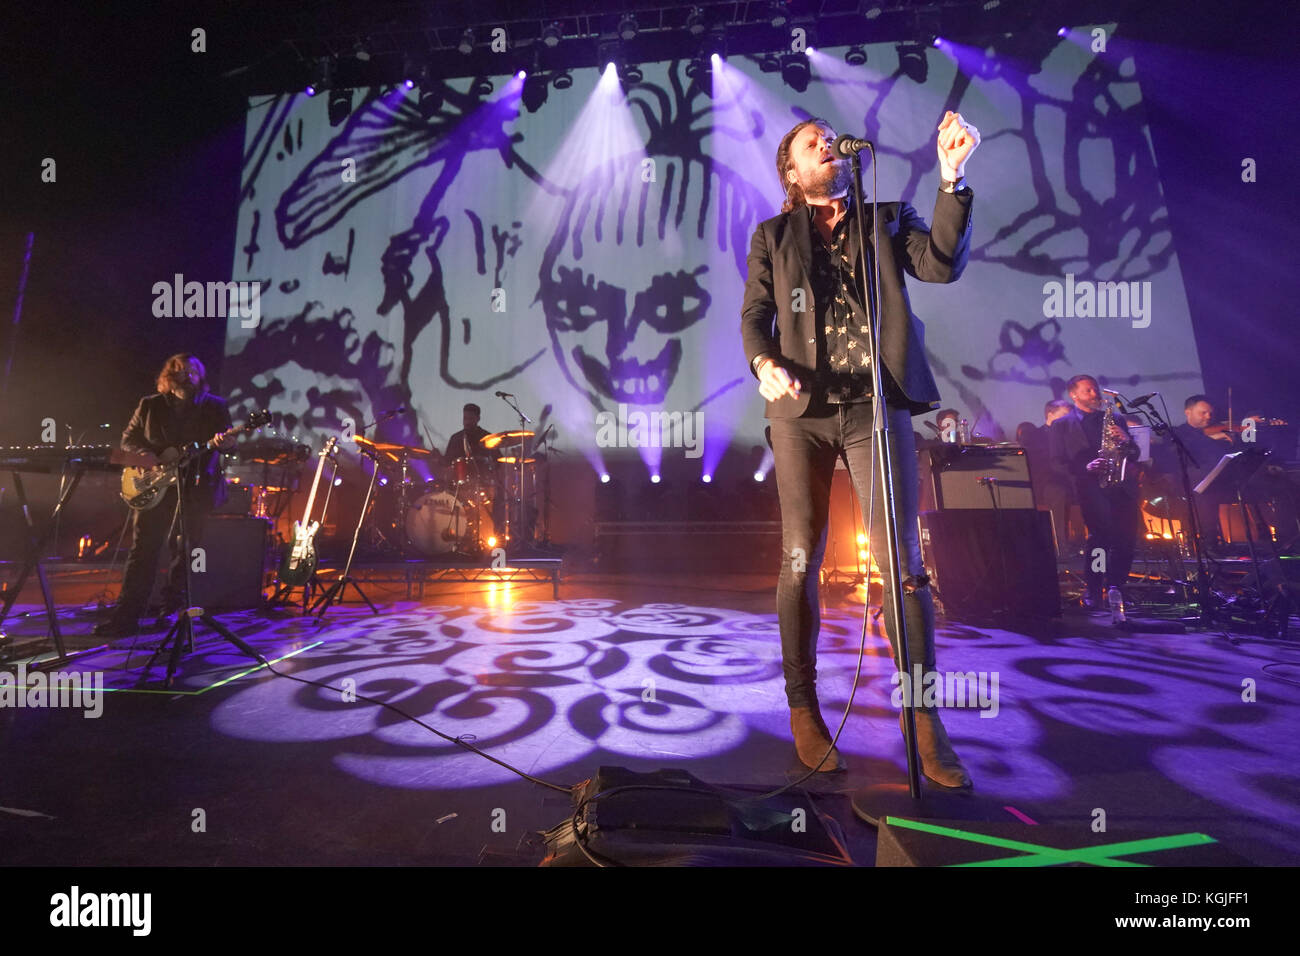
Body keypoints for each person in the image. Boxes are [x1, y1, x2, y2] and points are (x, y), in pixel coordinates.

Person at [740, 111, 979, 787]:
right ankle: (803, 708)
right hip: (800, 413)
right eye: (811, 141)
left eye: (830, 136)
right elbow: (756, 313)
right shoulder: (772, 235)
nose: (828, 142)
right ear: (792, 172)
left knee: (902, 563)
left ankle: (924, 720)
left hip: (876, 407)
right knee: (800, 557)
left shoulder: (884, 216)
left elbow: (939, 264)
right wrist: (762, 362)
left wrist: (952, 177)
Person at [96, 354, 233, 637]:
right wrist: (146, 456)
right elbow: (129, 438)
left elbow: (226, 446)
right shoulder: (150, 405)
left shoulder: (215, 407)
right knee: (142, 550)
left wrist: (225, 444)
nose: (187, 374)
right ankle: (126, 617)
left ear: (201, 376)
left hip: (194, 487)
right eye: (181, 370)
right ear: (169, 376)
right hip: (154, 484)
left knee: (183, 551)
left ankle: (171, 612)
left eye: (193, 370)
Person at [1048, 375, 1140, 608]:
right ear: (1074, 395)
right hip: (1091, 487)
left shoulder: (1115, 418)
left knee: (1125, 540)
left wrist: (1126, 440)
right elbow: (1057, 462)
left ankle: (1117, 587)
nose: (1094, 394)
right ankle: (1094, 587)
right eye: (1088, 390)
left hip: (1121, 486)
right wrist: (1085, 467)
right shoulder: (1062, 425)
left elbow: (1136, 454)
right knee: (1100, 539)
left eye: (1095, 389)